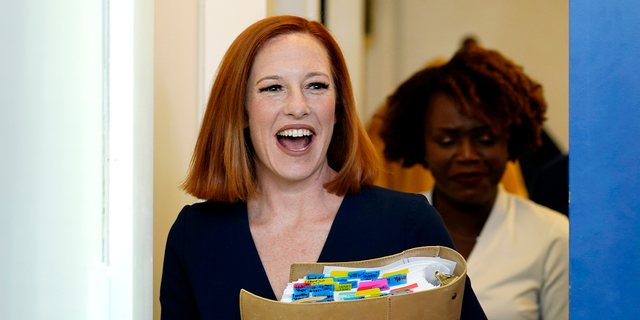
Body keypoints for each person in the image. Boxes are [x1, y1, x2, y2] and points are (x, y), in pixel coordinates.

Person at [159, 16, 487, 319]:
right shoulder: (195, 237)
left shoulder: (408, 225)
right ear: (241, 110)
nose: (298, 107)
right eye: (272, 88)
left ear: (338, 106)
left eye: (316, 85)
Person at [380, 38, 569, 320]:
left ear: (510, 140)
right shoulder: (389, 234)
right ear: (422, 145)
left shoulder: (552, 237)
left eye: (484, 139)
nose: (467, 155)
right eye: (447, 141)